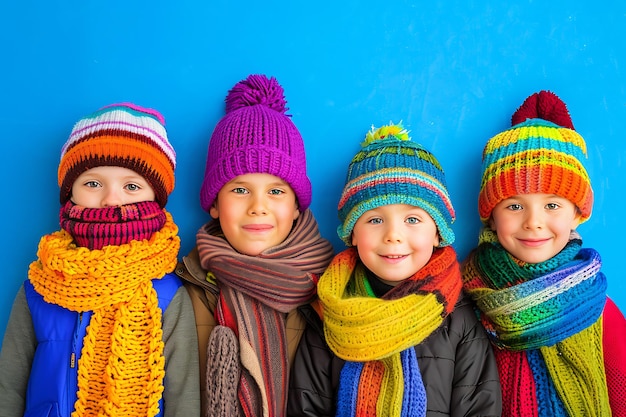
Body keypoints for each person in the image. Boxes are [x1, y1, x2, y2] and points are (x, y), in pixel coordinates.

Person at [288, 123, 502, 416]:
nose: (393, 236)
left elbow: (480, 407)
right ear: (352, 234)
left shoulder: (459, 318)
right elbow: (306, 406)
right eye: (375, 220)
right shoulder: (328, 315)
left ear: (438, 234)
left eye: (412, 220)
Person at [0, 103, 200, 417]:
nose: (111, 200)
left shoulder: (168, 294)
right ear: (70, 193)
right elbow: (8, 386)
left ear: (155, 197)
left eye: (132, 186)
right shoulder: (39, 287)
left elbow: (183, 398)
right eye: (93, 183)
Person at [176, 74, 335, 417]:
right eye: (239, 189)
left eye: (276, 191)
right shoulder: (184, 292)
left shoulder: (333, 290)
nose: (258, 206)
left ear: (296, 207)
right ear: (215, 204)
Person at [462, 90, 626, 417]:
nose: (534, 223)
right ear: (491, 215)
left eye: (552, 205)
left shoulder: (595, 305)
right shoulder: (467, 302)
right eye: (514, 205)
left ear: (578, 214)